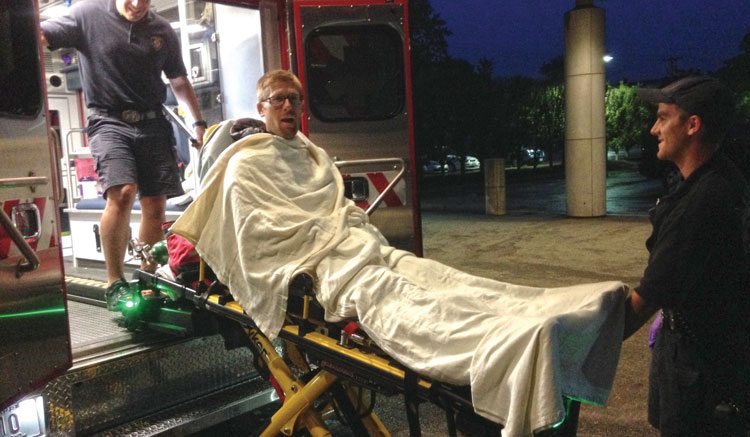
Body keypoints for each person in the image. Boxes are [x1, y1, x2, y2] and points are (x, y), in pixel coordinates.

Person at [171, 70, 628, 436]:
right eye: (278, 99)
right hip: (326, 269)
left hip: (357, 250)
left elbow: (335, 207)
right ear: (261, 107)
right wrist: (313, 246)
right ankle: (509, 340)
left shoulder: (312, 156)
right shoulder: (244, 165)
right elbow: (255, 231)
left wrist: (345, 227)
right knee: (399, 295)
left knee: (437, 279)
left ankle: (546, 311)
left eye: (295, 98)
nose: (289, 106)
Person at [41, 0, 207, 310]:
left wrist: (198, 123)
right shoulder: (87, 15)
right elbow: (42, 34)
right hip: (108, 120)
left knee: (156, 208)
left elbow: (179, 81)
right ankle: (114, 283)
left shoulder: (162, 30)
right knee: (124, 192)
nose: (137, 2)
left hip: (153, 122)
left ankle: (147, 278)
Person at [624, 76, 750, 435]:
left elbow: (642, 303)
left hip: (700, 370)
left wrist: (567, 343)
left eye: (663, 117)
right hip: (711, 353)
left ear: (693, 125)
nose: (653, 129)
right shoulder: (719, 179)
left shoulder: (701, 204)